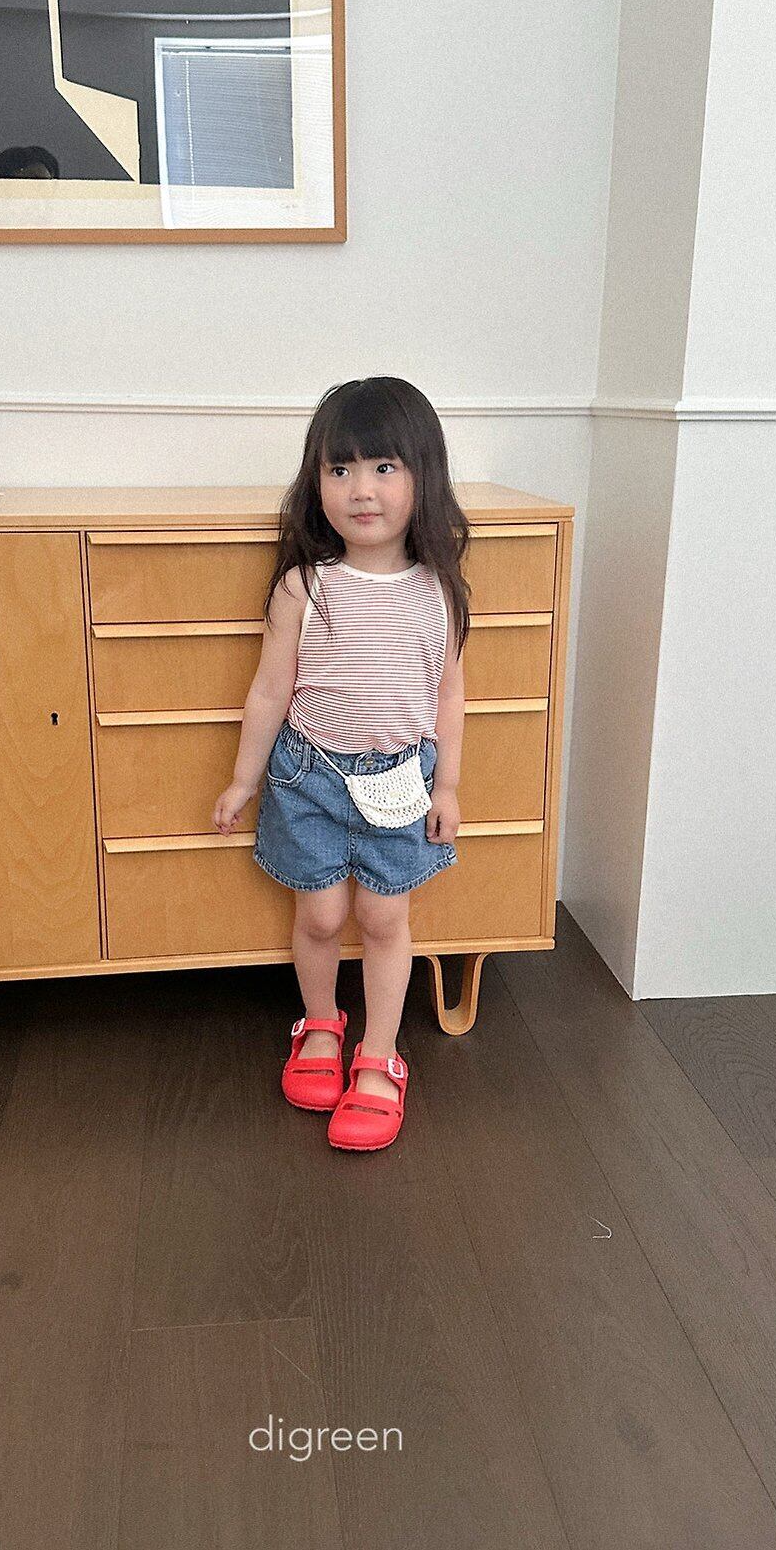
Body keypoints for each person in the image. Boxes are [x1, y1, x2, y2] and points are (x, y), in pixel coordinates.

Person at [213, 377, 471, 1151]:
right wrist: (244, 778)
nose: (361, 489)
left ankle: (380, 1056)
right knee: (321, 916)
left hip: (400, 780)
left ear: (423, 476)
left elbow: (449, 696)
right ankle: (320, 1024)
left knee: (384, 919)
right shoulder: (305, 586)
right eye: (340, 469)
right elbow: (269, 691)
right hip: (309, 777)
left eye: (384, 467)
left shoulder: (438, 592)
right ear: (316, 481)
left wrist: (449, 786)